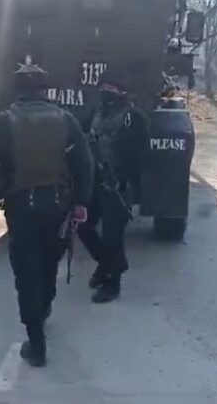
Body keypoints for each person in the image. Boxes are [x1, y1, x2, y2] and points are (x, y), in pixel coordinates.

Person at [0, 62, 93, 367]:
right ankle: (45, 304)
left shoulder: (5, 121)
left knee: (26, 271)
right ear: (44, 89)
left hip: (21, 206)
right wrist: (81, 201)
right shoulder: (65, 119)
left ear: (18, 90)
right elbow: (84, 162)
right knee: (50, 260)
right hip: (57, 204)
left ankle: (36, 343)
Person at [78, 69, 149, 303]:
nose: (105, 91)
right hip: (95, 181)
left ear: (122, 92)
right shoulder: (96, 113)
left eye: (111, 88)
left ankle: (112, 283)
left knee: (112, 235)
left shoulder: (134, 118)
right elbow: (81, 139)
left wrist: (124, 179)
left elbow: (140, 154)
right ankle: (107, 264)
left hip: (118, 185)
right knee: (83, 226)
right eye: (103, 87)